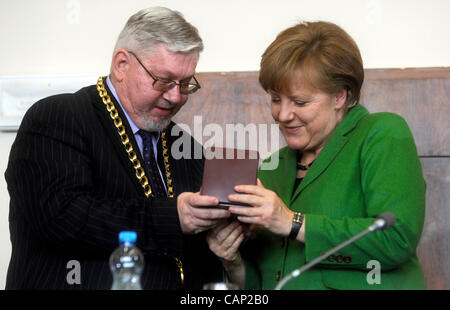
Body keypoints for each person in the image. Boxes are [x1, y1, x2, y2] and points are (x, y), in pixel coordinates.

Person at [5, 7, 230, 290]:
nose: (175, 97)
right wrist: (175, 216)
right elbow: (62, 216)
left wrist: (229, 226)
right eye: (162, 80)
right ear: (122, 64)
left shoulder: (186, 146)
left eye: (185, 84)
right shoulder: (57, 117)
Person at [206, 21, 426, 290]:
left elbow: (396, 239)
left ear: (339, 96)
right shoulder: (271, 169)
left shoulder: (381, 133)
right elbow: (264, 283)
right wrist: (232, 261)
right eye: (276, 99)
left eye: (299, 102)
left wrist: (292, 222)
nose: (283, 115)